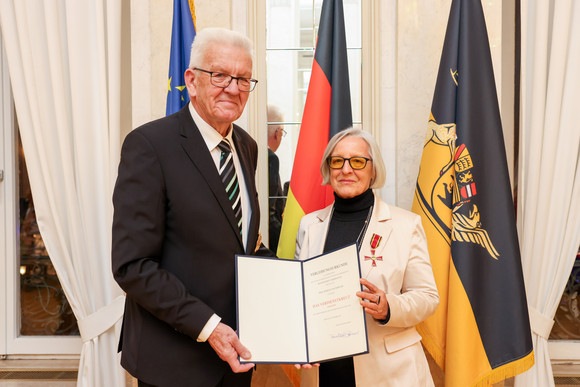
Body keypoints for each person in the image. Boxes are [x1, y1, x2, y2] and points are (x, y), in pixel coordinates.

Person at [112, 27, 272, 387]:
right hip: (174, 363)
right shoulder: (149, 145)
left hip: (237, 357)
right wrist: (210, 327)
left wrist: (299, 311)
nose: (233, 88)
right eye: (220, 75)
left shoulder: (246, 147)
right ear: (192, 80)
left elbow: (242, 246)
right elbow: (132, 266)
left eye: (243, 79)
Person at [294, 128, 439, 387]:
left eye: (357, 161)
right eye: (337, 161)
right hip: (322, 372)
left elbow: (427, 297)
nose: (346, 170)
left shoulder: (406, 225)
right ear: (328, 169)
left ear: (373, 170)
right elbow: (298, 298)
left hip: (389, 373)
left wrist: (388, 307)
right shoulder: (309, 225)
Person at [267, 104, 286, 252]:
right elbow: (270, 213)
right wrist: (286, 241)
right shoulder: (270, 158)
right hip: (271, 245)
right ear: (277, 132)